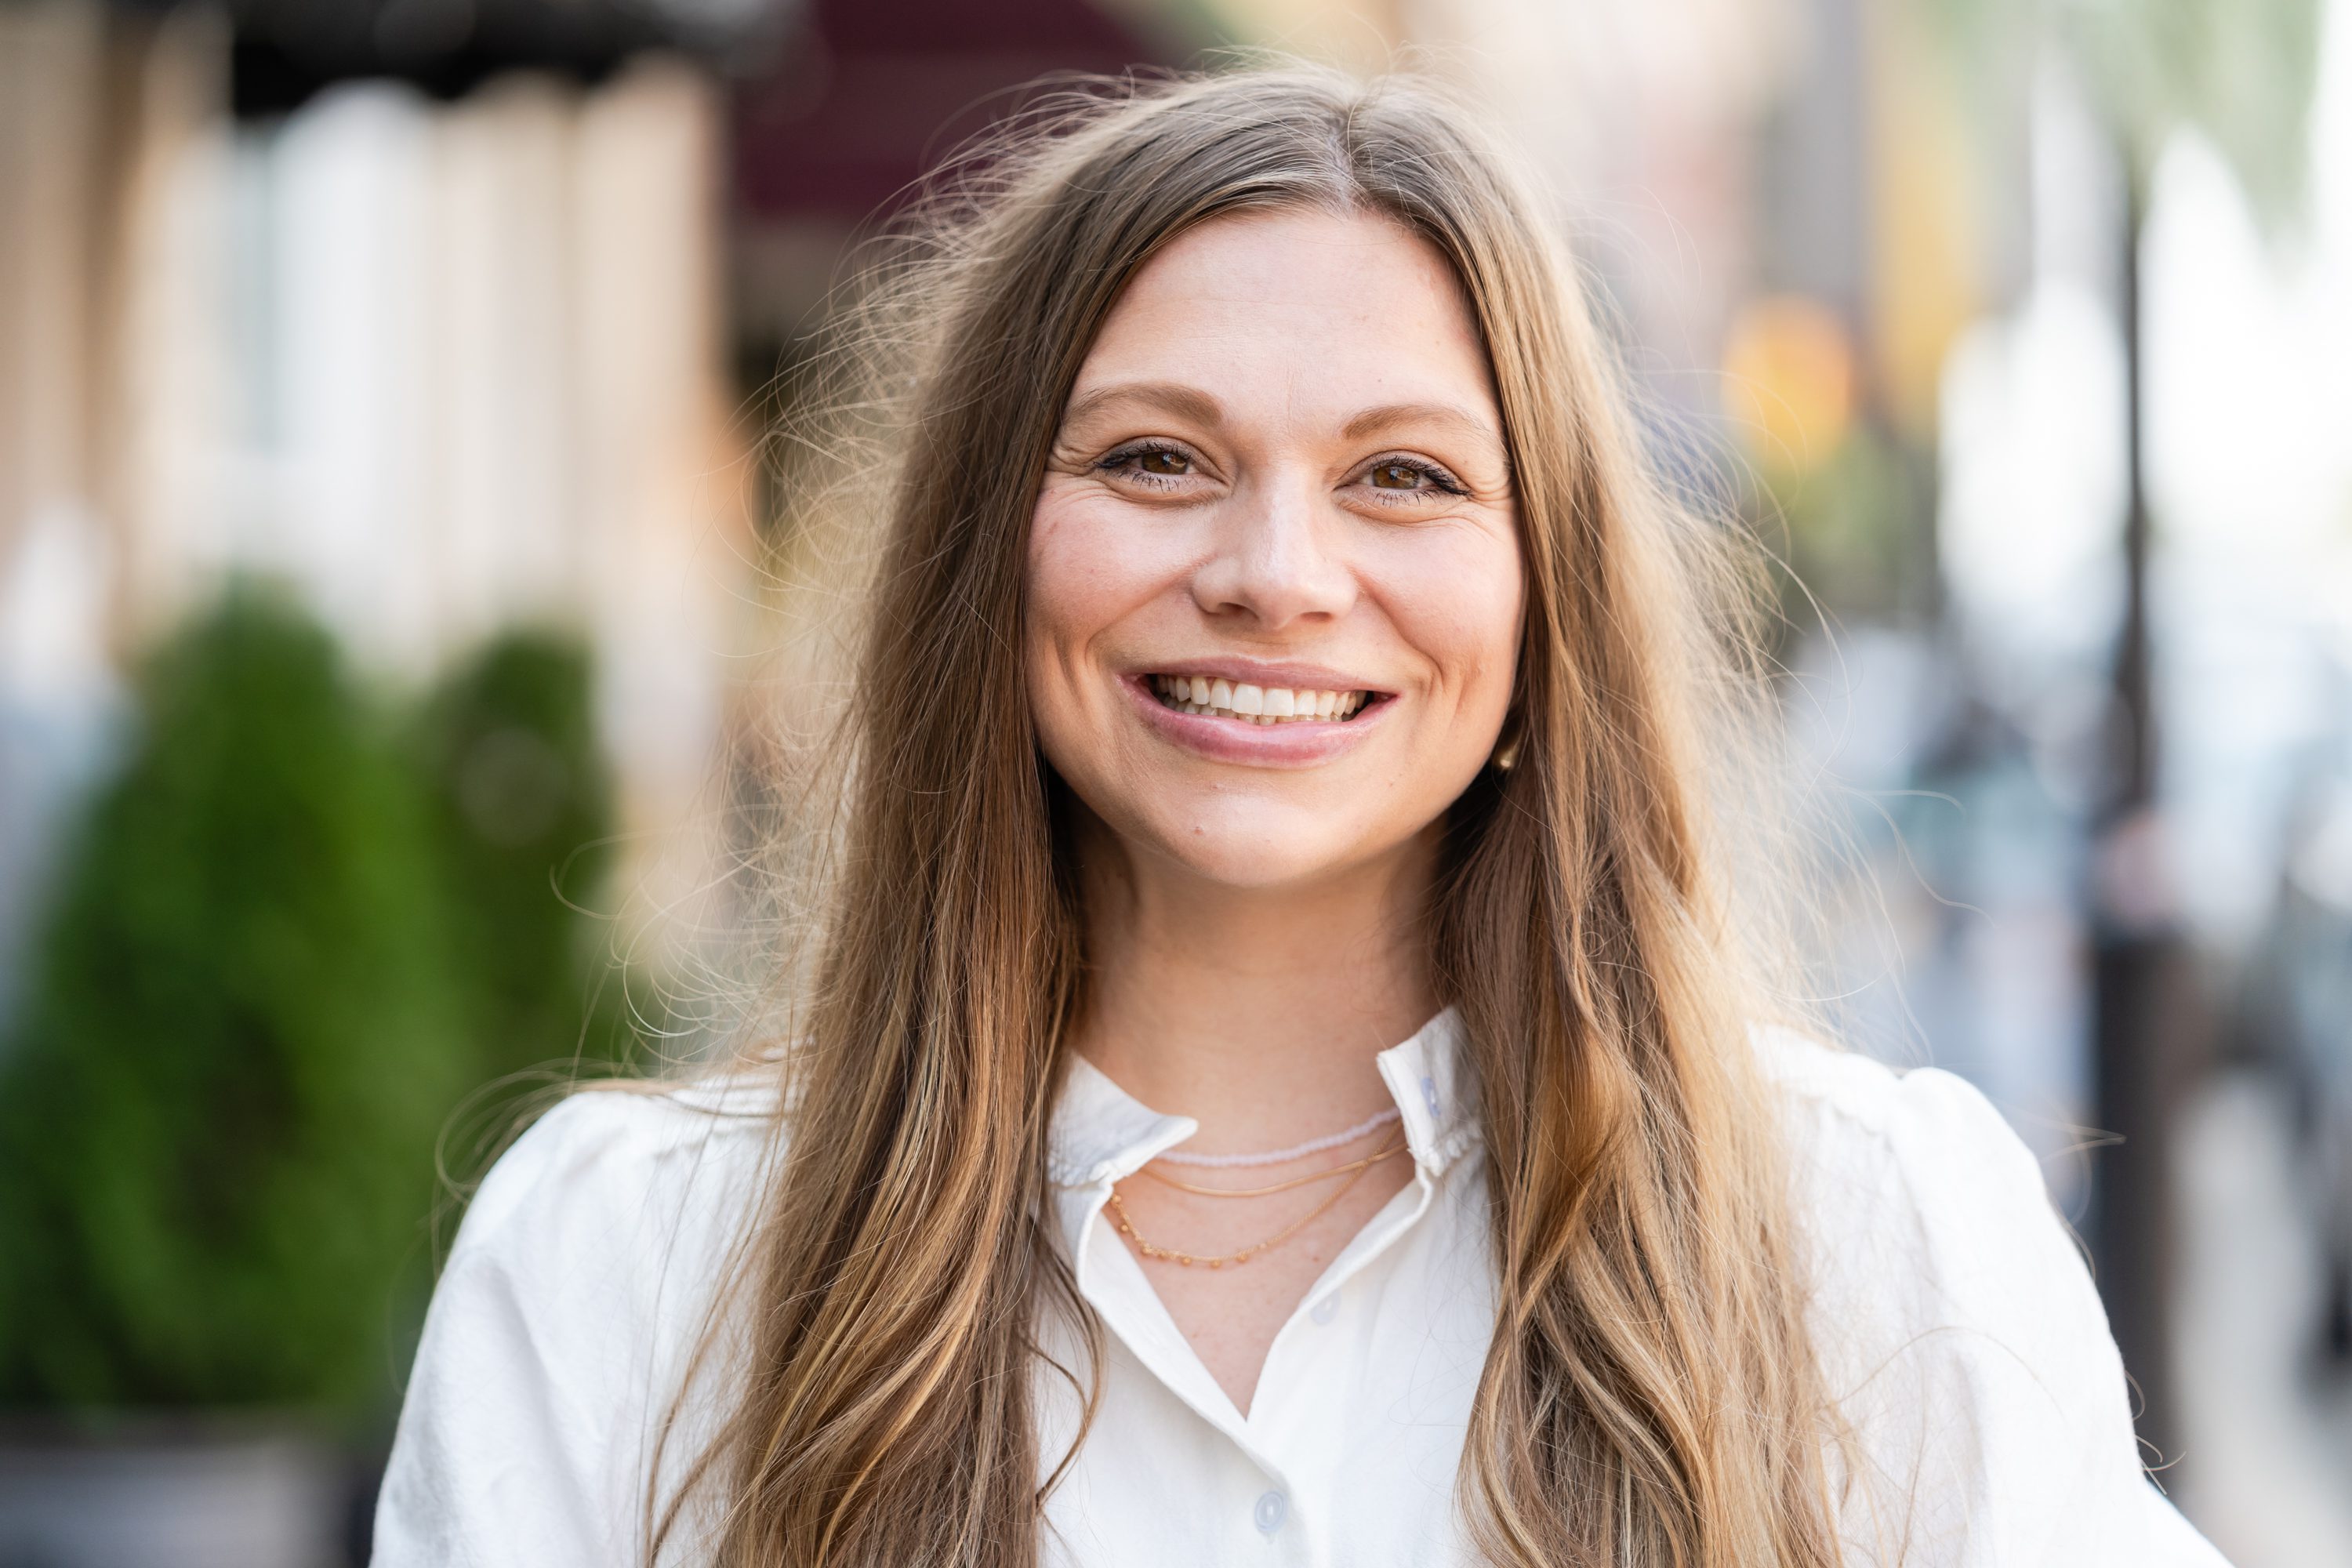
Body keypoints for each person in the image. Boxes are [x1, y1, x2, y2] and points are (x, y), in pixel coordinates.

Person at [372, 67, 2228, 1568]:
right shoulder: (625, 1267)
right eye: (1156, 458)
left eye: (1403, 477)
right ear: (988, 553)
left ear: (1544, 595)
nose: (1277, 573)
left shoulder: (1865, 1236)